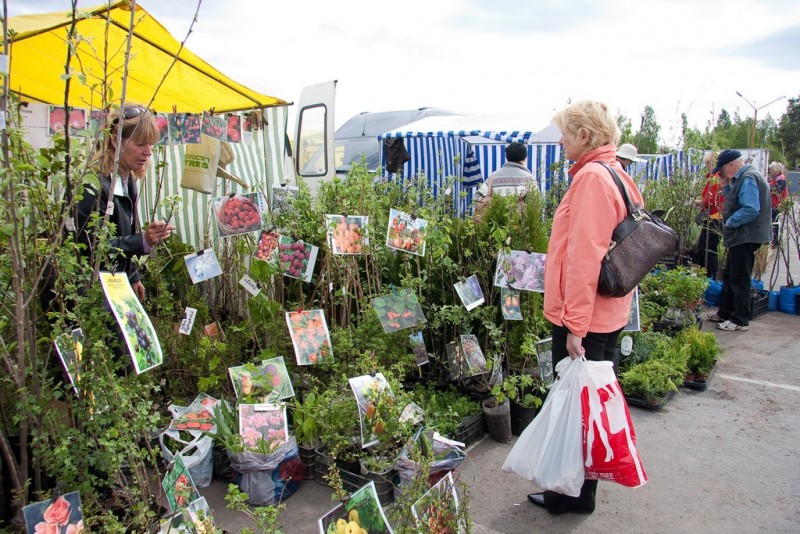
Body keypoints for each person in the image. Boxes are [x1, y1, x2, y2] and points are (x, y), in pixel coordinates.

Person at [527, 100, 643, 515]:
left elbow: (584, 258)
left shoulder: (593, 178)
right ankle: (578, 494)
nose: (560, 140)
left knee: (576, 409)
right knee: (588, 407)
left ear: (585, 136)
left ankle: (567, 496)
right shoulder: (615, 172)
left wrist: (575, 326)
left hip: (586, 319)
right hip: (605, 315)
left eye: (566, 132)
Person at [77, 105, 175, 302]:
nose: (148, 152)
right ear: (115, 140)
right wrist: (143, 241)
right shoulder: (93, 185)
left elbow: (123, 235)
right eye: (140, 144)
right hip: (88, 294)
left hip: (113, 285)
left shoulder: (127, 180)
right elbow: (89, 246)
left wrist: (132, 276)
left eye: (151, 144)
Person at [707, 150, 771, 331]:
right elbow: (734, 199)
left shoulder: (749, 178)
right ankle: (725, 313)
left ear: (731, 166)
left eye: (723, 170)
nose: (721, 174)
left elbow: (751, 209)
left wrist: (730, 222)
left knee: (739, 278)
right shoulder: (742, 178)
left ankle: (740, 319)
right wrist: (726, 184)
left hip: (746, 235)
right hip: (742, 236)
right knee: (729, 275)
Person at [473, 142, 533, 216]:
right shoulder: (528, 178)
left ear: (507, 157)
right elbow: (535, 204)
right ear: (525, 158)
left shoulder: (493, 176)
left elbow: (477, 197)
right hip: (518, 224)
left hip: (494, 223)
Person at [694, 151, 725, 279]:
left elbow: (711, 199)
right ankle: (706, 275)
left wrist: (699, 202)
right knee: (704, 248)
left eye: (707, 164)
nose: (706, 166)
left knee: (709, 250)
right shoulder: (715, 178)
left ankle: (710, 276)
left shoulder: (715, 179)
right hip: (714, 216)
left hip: (715, 218)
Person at [767, 161, 788, 247]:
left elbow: (779, 190)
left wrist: (768, 188)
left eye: (771, 170)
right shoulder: (775, 178)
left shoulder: (780, 179)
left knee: (774, 222)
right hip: (774, 203)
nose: (770, 171)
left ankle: (774, 241)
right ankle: (774, 240)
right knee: (773, 222)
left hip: (777, 204)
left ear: (775, 170)